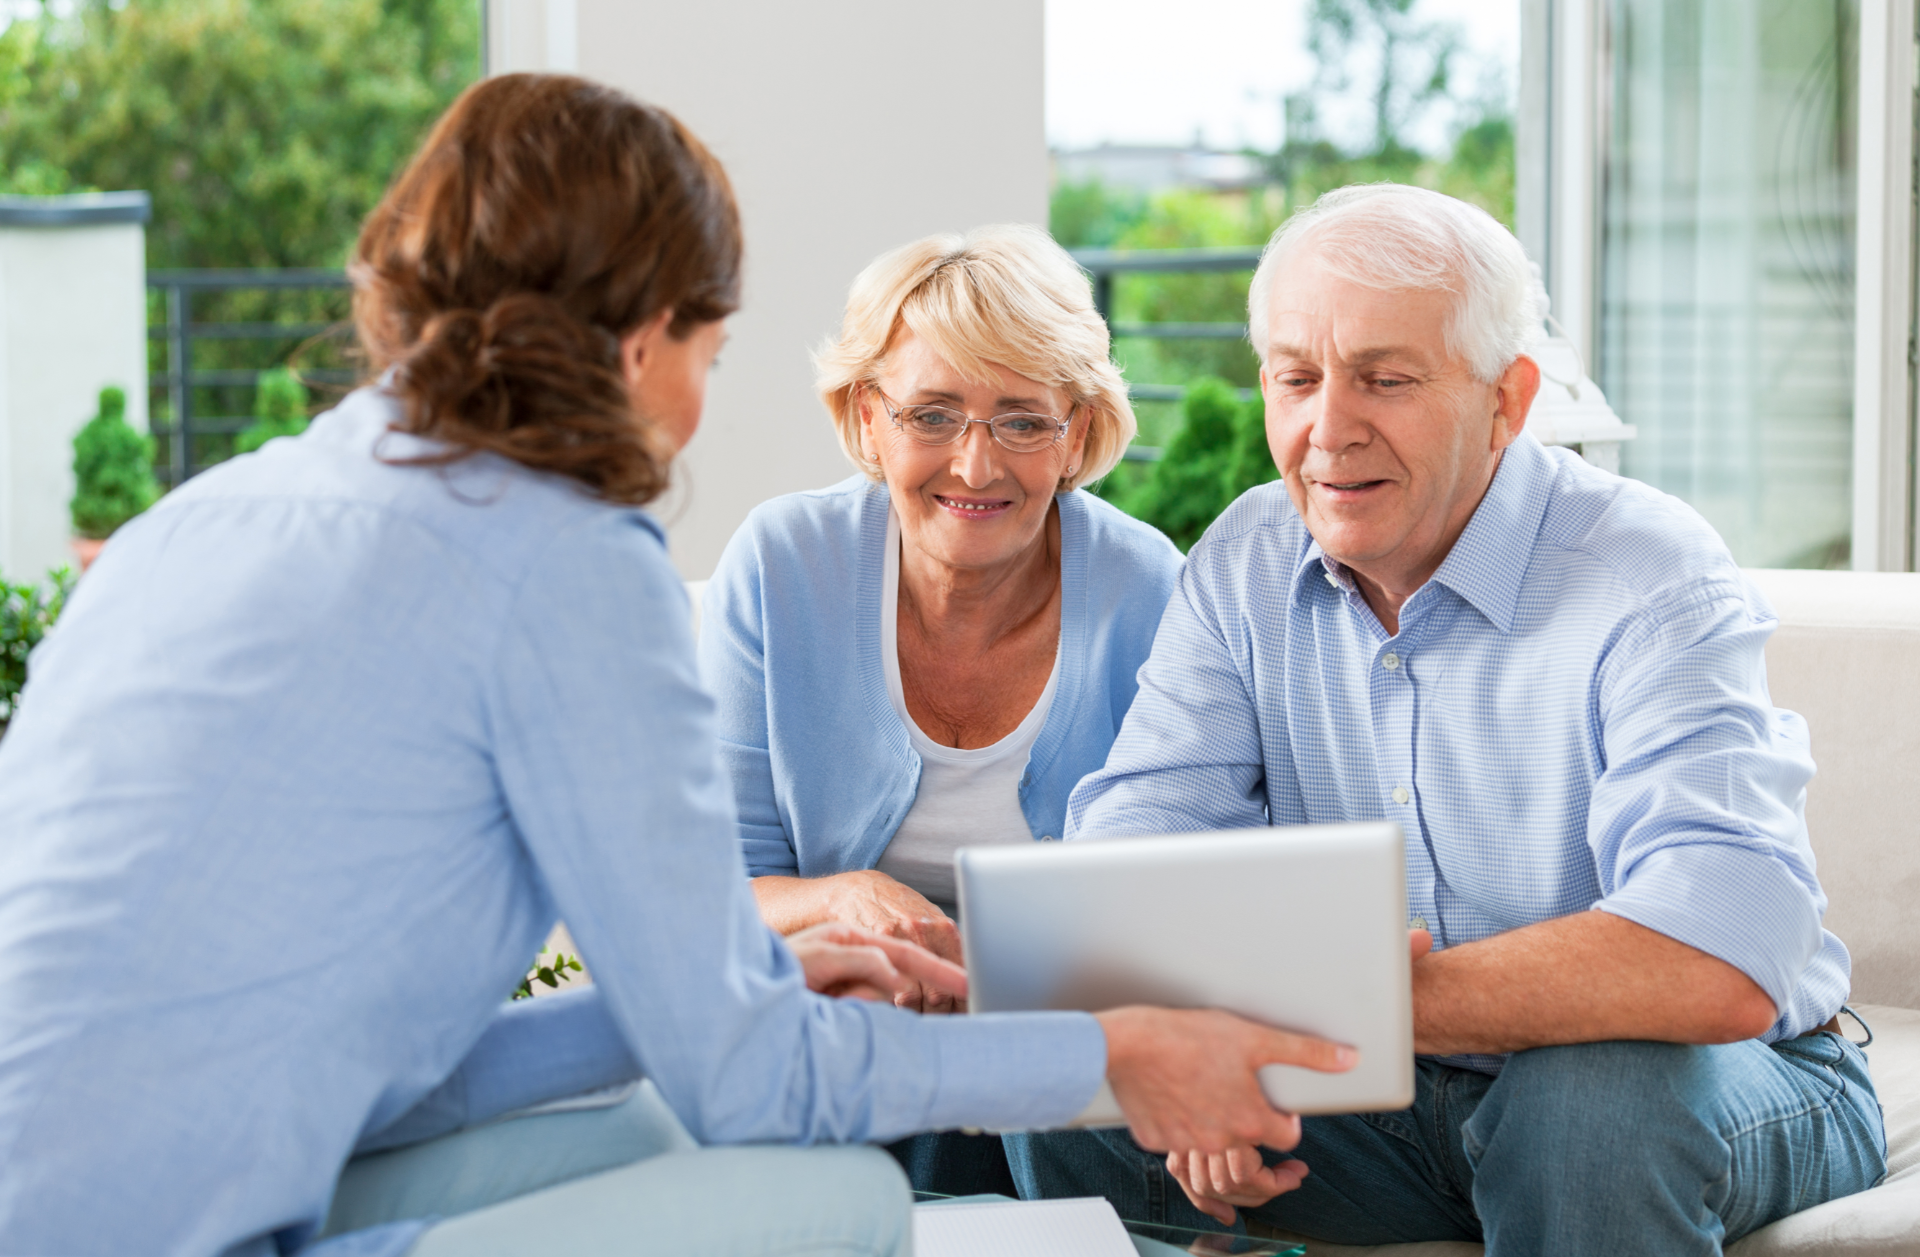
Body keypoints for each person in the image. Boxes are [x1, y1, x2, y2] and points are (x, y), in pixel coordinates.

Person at [0, 74, 1359, 1257]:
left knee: (660, 1130)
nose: (697, 400)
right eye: (708, 349)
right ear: (644, 337)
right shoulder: (562, 560)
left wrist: (759, 986)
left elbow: (397, 1071)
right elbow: (752, 1086)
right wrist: (1120, 1053)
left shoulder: (212, 514)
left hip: (103, 1193)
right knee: (841, 1202)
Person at [1013, 183, 1887, 1255]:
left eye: (1386, 378)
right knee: (1055, 1074)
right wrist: (1191, 1039)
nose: (1328, 429)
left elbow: (1722, 951)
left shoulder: (1647, 574)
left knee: (1587, 1100)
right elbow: (1128, 865)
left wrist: (1350, 996)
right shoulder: (1244, 557)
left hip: (1715, 1078)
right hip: (1384, 1102)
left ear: (1507, 401)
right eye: (1296, 378)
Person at [699, 225, 1183, 1197]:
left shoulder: (1147, 584)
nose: (975, 465)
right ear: (868, 417)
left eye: (1020, 420)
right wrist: (843, 892)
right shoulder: (782, 562)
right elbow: (718, 883)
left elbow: (1174, 892)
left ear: (1076, 431)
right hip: (842, 1011)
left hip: (1057, 1031)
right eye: (933, 414)